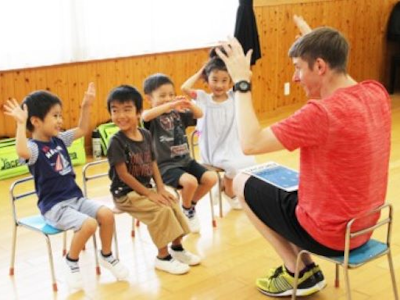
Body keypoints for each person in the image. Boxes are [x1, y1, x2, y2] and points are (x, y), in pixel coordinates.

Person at [216, 15, 391, 297]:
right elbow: (340, 76)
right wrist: (314, 43)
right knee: (284, 181)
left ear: (320, 66)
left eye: (299, 68)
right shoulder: (376, 93)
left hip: (328, 236)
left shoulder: (320, 114)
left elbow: (249, 143)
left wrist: (241, 82)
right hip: (364, 227)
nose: (295, 77)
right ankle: (305, 269)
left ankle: (296, 271)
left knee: (242, 181)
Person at [3, 83, 129, 290]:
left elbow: (82, 129)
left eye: (60, 115)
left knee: (106, 214)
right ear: (35, 121)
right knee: (88, 224)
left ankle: (106, 255)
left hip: (76, 199)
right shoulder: (33, 148)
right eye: (55, 116)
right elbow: (22, 152)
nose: (60, 120)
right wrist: (19, 124)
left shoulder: (59, 139)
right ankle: (71, 261)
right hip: (55, 207)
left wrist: (86, 106)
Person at [106, 85, 201, 275]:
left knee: (172, 202)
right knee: (160, 211)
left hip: (145, 189)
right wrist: (150, 193)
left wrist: (160, 188)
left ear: (138, 112)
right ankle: (162, 257)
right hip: (125, 194)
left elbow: (153, 162)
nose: (120, 115)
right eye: (114, 110)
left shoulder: (146, 135)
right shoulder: (116, 141)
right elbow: (124, 175)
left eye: (127, 110)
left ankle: (177, 248)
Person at [181, 47, 256, 210]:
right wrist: (203, 70)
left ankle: (224, 186)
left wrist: (235, 65)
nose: (219, 85)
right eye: (214, 79)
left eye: (224, 80)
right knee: (233, 166)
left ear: (230, 82)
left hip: (232, 145)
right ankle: (229, 192)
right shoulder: (203, 98)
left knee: (249, 161)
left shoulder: (233, 96)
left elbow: (248, 77)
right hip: (213, 150)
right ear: (206, 80)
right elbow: (184, 88)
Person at [142, 73, 218, 233]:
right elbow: (145, 116)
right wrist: (168, 105)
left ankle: (189, 207)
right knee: (190, 182)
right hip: (165, 167)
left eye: (171, 94)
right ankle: (187, 208)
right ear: (149, 99)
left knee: (211, 178)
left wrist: (188, 104)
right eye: (162, 95)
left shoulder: (177, 114)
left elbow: (199, 114)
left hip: (186, 161)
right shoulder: (152, 118)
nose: (168, 98)